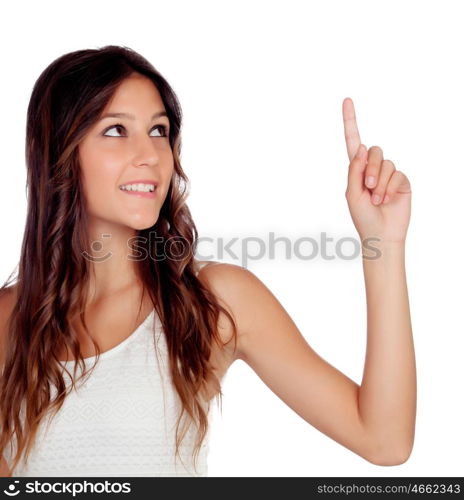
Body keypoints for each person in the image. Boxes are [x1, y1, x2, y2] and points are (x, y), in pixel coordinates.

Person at [0, 45, 416, 477]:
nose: (149, 155)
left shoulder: (211, 301)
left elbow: (383, 440)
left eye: (158, 131)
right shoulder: (7, 320)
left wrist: (383, 243)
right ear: (56, 152)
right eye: (115, 130)